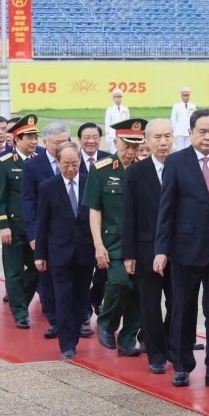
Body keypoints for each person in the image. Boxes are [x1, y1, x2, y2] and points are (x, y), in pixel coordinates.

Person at [154, 108, 209, 390]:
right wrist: (161, 249)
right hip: (185, 248)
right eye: (202, 132)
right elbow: (166, 208)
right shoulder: (176, 162)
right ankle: (182, 365)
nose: (208, 137)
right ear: (190, 133)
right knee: (183, 309)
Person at [122, 118, 175, 375]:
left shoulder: (181, 166)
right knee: (150, 304)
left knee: (178, 303)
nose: (163, 142)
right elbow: (128, 214)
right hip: (146, 249)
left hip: (178, 249)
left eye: (167, 136)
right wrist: (128, 254)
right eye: (157, 137)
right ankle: (155, 353)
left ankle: (173, 345)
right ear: (147, 140)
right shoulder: (136, 172)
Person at [85, 120, 143, 356]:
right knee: (120, 282)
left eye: (135, 146)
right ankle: (106, 323)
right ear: (116, 142)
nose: (130, 151)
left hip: (140, 242)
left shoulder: (144, 169)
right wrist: (98, 245)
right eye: (126, 145)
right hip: (114, 241)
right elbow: (95, 209)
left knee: (139, 290)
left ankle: (128, 340)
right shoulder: (101, 169)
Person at [35, 141, 95, 360]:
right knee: (62, 297)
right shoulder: (48, 187)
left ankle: (75, 333)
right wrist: (40, 254)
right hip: (58, 252)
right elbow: (43, 222)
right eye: (66, 164)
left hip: (85, 251)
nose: (71, 168)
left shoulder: (90, 183)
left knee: (80, 297)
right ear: (58, 163)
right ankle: (66, 343)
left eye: (75, 163)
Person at [23, 122, 76, 339]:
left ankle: (78, 318)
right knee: (48, 280)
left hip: (74, 233)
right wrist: (33, 234)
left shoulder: (76, 162)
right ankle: (55, 320)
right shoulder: (33, 166)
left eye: (65, 141)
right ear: (45, 142)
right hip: (47, 234)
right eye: (57, 142)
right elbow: (28, 201)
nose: (62, 146)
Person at [0, 114, 41, 328]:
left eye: (35, 137)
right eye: (29, 137)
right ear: (16, 139)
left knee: (39, 267)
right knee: (13, 272)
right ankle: (20, 312)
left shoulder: (39, 161)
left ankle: (21, 300)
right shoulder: (4, 163)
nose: (33, 141)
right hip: (13, 227)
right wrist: (2, 225)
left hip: (35, 228)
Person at [170, 86, 196, 151]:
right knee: (180, 149)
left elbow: (194, 118)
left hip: (189, 131)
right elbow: (173, 119)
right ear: (181, 96)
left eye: (187, 95)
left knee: (189, 148)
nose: (186, 97)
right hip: (179, 132)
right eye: (185, 95)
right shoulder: (176, 106)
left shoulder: (193, 106)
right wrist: (174, 131)